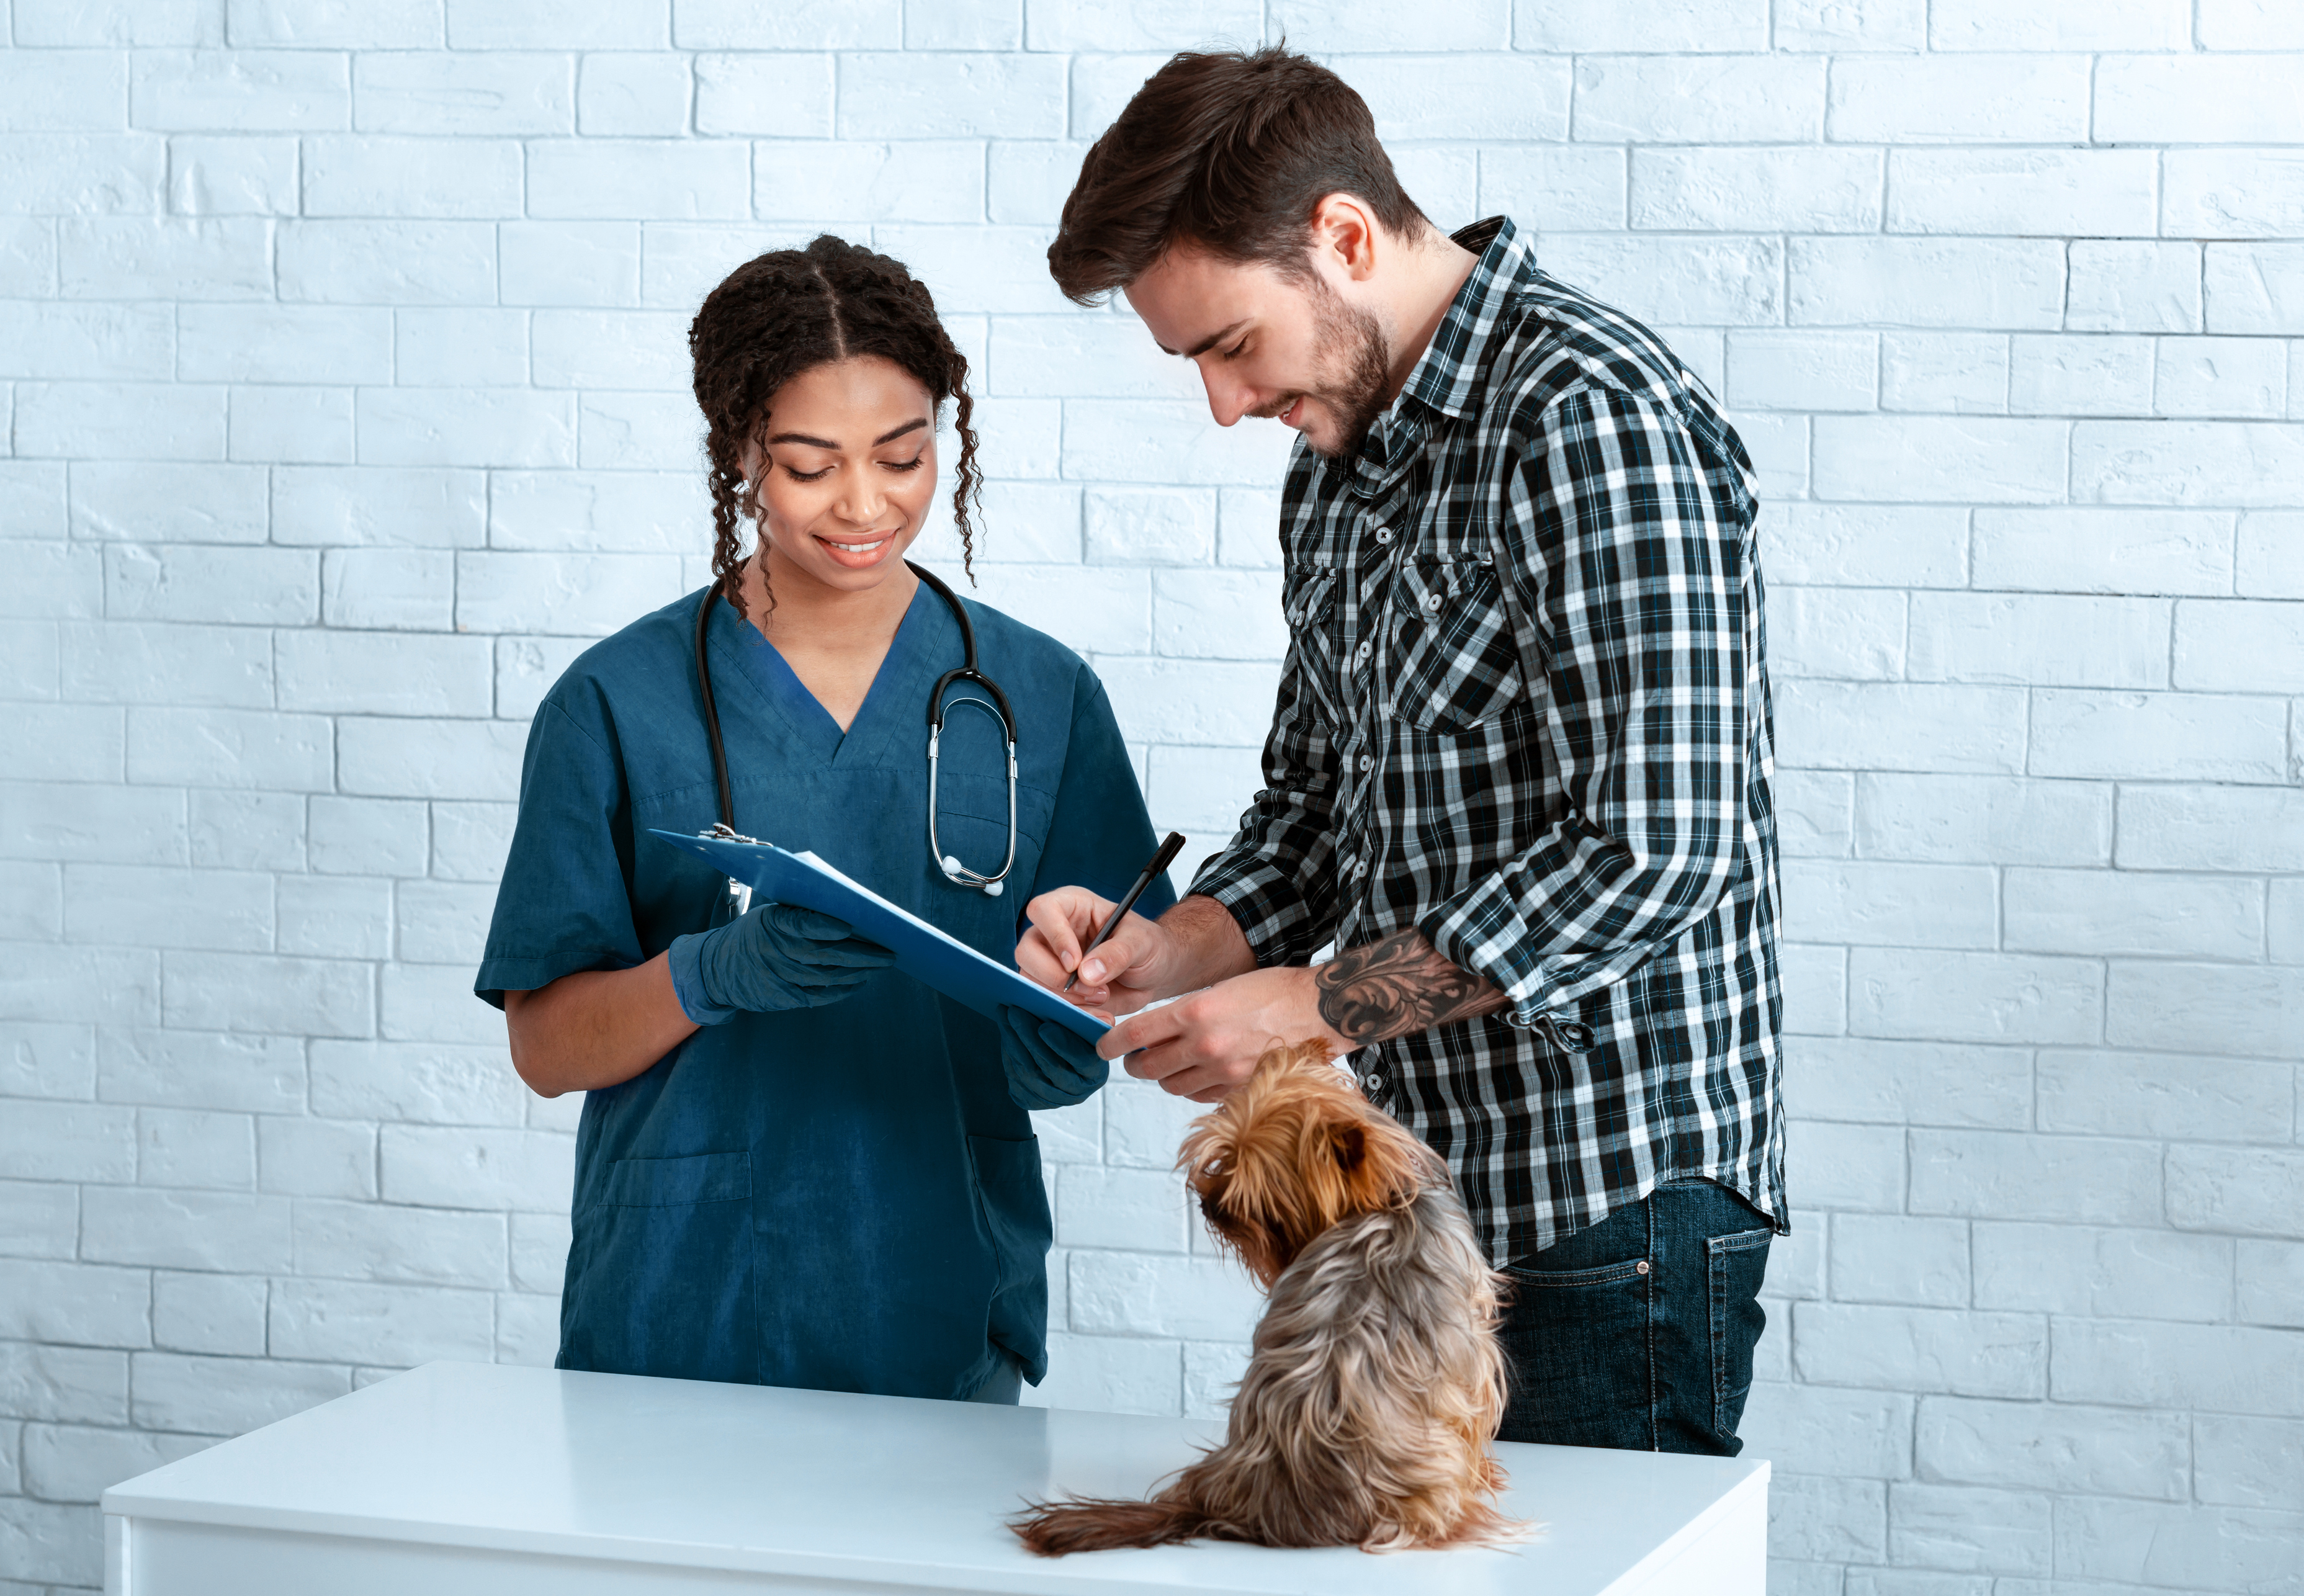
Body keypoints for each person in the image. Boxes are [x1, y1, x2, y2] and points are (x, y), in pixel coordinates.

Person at [1011, 48, 1786, 1456]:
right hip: (1423, 1202)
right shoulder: (1337, 471)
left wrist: (1309, 1006)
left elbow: (1660, 846)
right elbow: (1315, 806)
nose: (1225, 406)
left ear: (1345, 240)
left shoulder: (1589, 417)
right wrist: (1177, 944)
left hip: (1611, 1204)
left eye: (1229, 345)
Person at [477, 235, 1171, 1405]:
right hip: (675, 1310)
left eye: (902, 458)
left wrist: (1074, 1038)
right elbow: (545, 1051)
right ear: (737, 454)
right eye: (809, 466)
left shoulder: (1038, 697)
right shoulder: (614, 702)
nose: (865, 505)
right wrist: (709, 974)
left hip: (940, 1304)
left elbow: (1106, 1007)